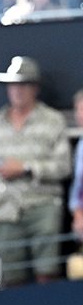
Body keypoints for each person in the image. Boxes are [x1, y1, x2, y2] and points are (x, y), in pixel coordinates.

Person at [0, 56, 72, 286]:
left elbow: (63, 166)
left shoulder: (53, 120)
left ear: (35, 88)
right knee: (10, 278)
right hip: (5, 210)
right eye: (13, 85)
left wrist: (26, 168)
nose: (17, 91)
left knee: (47, 273)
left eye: (24, 84)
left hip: (43, 206)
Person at [69, 90, 83, 244]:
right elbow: (77, 187)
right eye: (77, 109)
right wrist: (78, 216)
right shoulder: (81, 145)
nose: (79, 114)